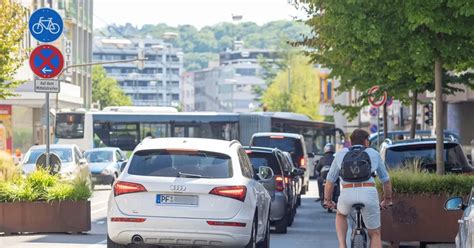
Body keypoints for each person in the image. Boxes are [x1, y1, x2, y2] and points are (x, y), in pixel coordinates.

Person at [324, 129, 393, 248]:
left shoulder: (341, 154)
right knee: (375, 234)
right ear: (366, 141)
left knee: (341, 215)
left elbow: (330, 181)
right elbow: (386, 181)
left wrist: (328, 200)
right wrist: (387, 199)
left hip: (347, 193)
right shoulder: (373, 153)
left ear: (351, 142)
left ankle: (342, 245)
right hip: (368, 193)